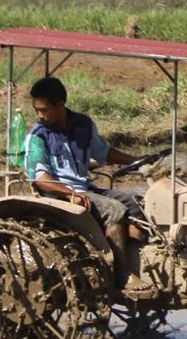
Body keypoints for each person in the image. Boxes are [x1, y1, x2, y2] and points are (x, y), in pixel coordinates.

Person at [22, 75, 145, 266]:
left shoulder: (83, 125)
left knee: (137, 202)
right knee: (115, 209)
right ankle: (121, 272)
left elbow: (103, 152)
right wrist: (70, 192)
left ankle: (138, 255)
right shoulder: (38, 136)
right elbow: (41, 179)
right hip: (57, 195)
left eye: (44, 110)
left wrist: (136, 161)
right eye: (37, 110)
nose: (40, 115)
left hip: (85, 188)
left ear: (60, 105)